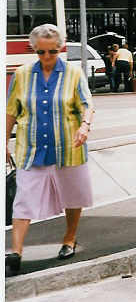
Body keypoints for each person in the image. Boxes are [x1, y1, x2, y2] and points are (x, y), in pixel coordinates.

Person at [5, 24, 95, 276]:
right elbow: (11, 111)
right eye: (41, 52)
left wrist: (85, 127)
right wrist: (4, 142)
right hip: (31, 148)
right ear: (35, 50)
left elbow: (88, 105)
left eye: (52, 52)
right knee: (23, 200)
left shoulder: (73, 73)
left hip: (69, 146)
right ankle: (16, 253)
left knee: (73, 195)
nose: (47, 58)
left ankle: (69, 238)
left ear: (61, 48)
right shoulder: (22, 75)